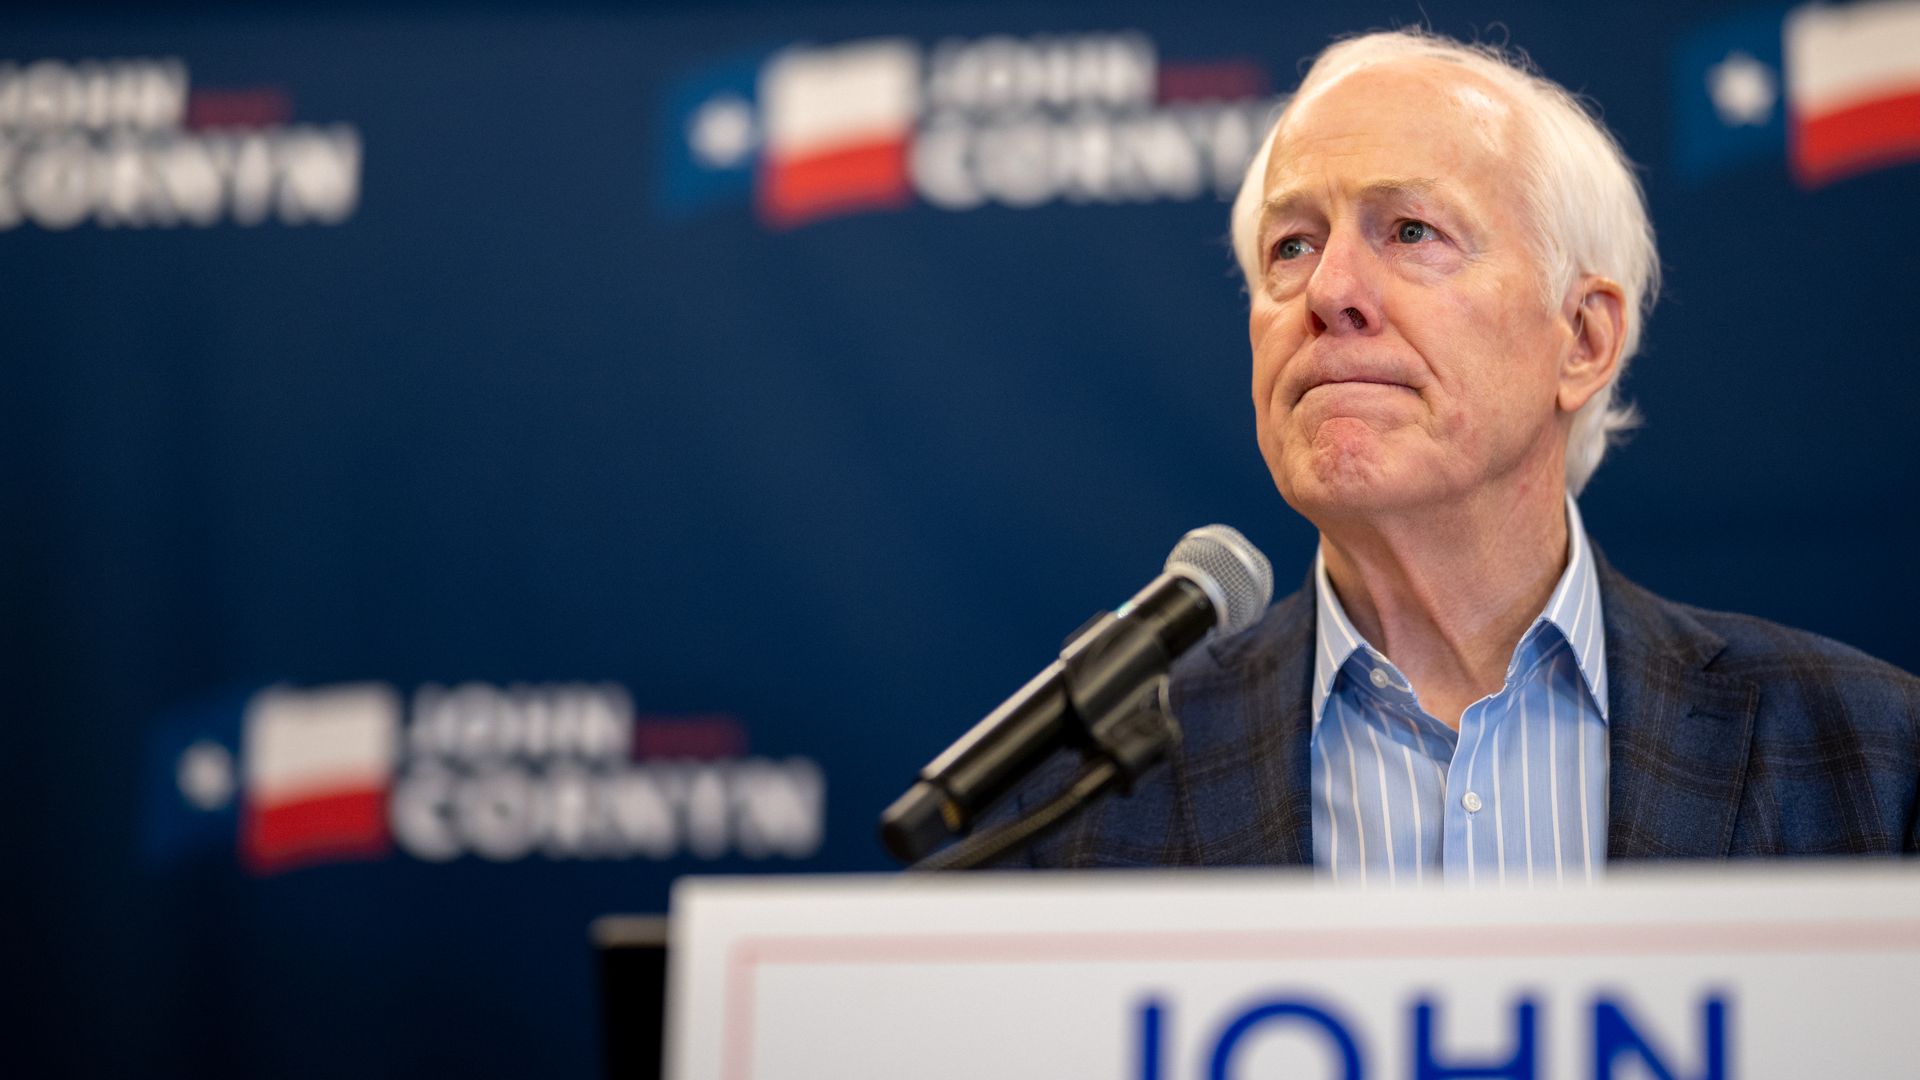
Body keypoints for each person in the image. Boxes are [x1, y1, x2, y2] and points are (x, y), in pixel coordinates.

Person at [999, 29, 1920, 878]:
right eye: (1293, 246)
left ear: (1583, 340)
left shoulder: (1871, 759)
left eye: (1410, 232)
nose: (1331, 291)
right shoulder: (1082, 793)